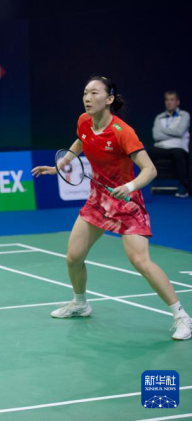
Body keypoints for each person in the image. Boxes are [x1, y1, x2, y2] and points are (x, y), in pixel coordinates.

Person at [31, 76, 192, 341]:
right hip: (98, 201)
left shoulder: (122, 132)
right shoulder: (84, 121)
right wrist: (60, 165)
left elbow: (149, 170)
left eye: (94, 93)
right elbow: (81, 141)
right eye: (85, 92)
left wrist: (129, 187)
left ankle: (182, 316)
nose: (87, 97)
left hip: (126, 203)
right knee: (73, 257)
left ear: (109, 99)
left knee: (140, 261)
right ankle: (80, 303)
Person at [149, 90, 191, 197]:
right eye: (167, 100)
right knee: (145, 153)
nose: (169, 102)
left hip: (177, 148)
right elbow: (156, 136)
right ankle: (145, 185)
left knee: (179, 154)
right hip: (161, 148)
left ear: (177, 102)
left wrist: (163, 131)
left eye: (172, 100)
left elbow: (180, 132)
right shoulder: (159, 117)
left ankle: (183, 186)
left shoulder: (184, 115)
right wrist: (173, 133)